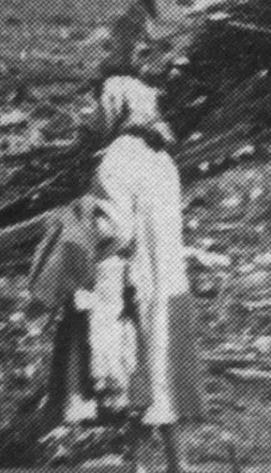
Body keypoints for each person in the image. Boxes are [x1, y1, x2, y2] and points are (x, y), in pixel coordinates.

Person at [88, 72, 202, 473]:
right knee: (159, 378)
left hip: (135, 284)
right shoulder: (161, 154)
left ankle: (153, 464)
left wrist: (85, 224)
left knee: (137, 373)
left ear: (114, 110)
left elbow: (115, 230)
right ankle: (160, 462)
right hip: (170, 280)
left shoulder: (115, 159)